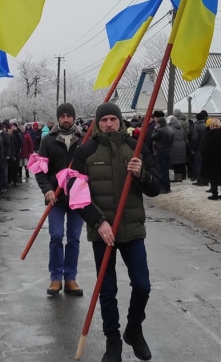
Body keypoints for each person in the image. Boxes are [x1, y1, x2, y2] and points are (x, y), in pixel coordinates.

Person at [73, 103, 159, 362]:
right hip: (103, 232)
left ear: (120, 122)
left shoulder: (136, 148)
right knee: (106, 289)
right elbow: (76, 194)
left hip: (132, 229)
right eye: (104, 120)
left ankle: (134, 330)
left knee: (142, 285)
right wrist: (98, 222)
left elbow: (157, 187)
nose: (109, 124)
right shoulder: (85, 151)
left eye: (113, 119)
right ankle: (113, 342)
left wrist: (141, 173)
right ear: (97, 123)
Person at [35, 102, 85, 297]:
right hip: (55, 198)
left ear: (73, 117)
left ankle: (70, 278)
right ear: (58, 118)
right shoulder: (48, 140)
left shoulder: (83, 139)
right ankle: (56, 277)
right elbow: (40, 169)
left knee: (73, 239)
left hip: (77, 198)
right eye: (62, 116)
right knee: (56, 236)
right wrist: (47, 190)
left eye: (69, 116)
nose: (66, 119)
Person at [202, 118, 221, 200]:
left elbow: (207, 148)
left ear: (212, 125)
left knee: (214, 177)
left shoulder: (211, 135)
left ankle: (214, 194)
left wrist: (205, 157)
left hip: (213, 159)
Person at [149, 114, 173, 194]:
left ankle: (164, 188)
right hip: (168, 150)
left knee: (162, 170)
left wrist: (155, 129)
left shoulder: (160, 130)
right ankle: (167, 187)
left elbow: (152, 137)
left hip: (161, 151)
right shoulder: (170, 129)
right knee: (166, 170)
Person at [189, 110, 209, 186]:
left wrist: (193, 149)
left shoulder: (196, 126)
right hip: (204, 147)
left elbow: (194, 138)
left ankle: (200, 180)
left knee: (198, 164)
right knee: (203, 164)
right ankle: (205, 180)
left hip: (198, 148)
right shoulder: (205, 125)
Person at [167, 115, 188, 183]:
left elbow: (170, 138)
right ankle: (180, 176)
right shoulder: (181, 128)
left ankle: (176, 177)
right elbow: (184, 137)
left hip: (174, 146)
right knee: (180, 163)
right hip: (182, 146)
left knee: (175, 163)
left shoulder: (170, 128)